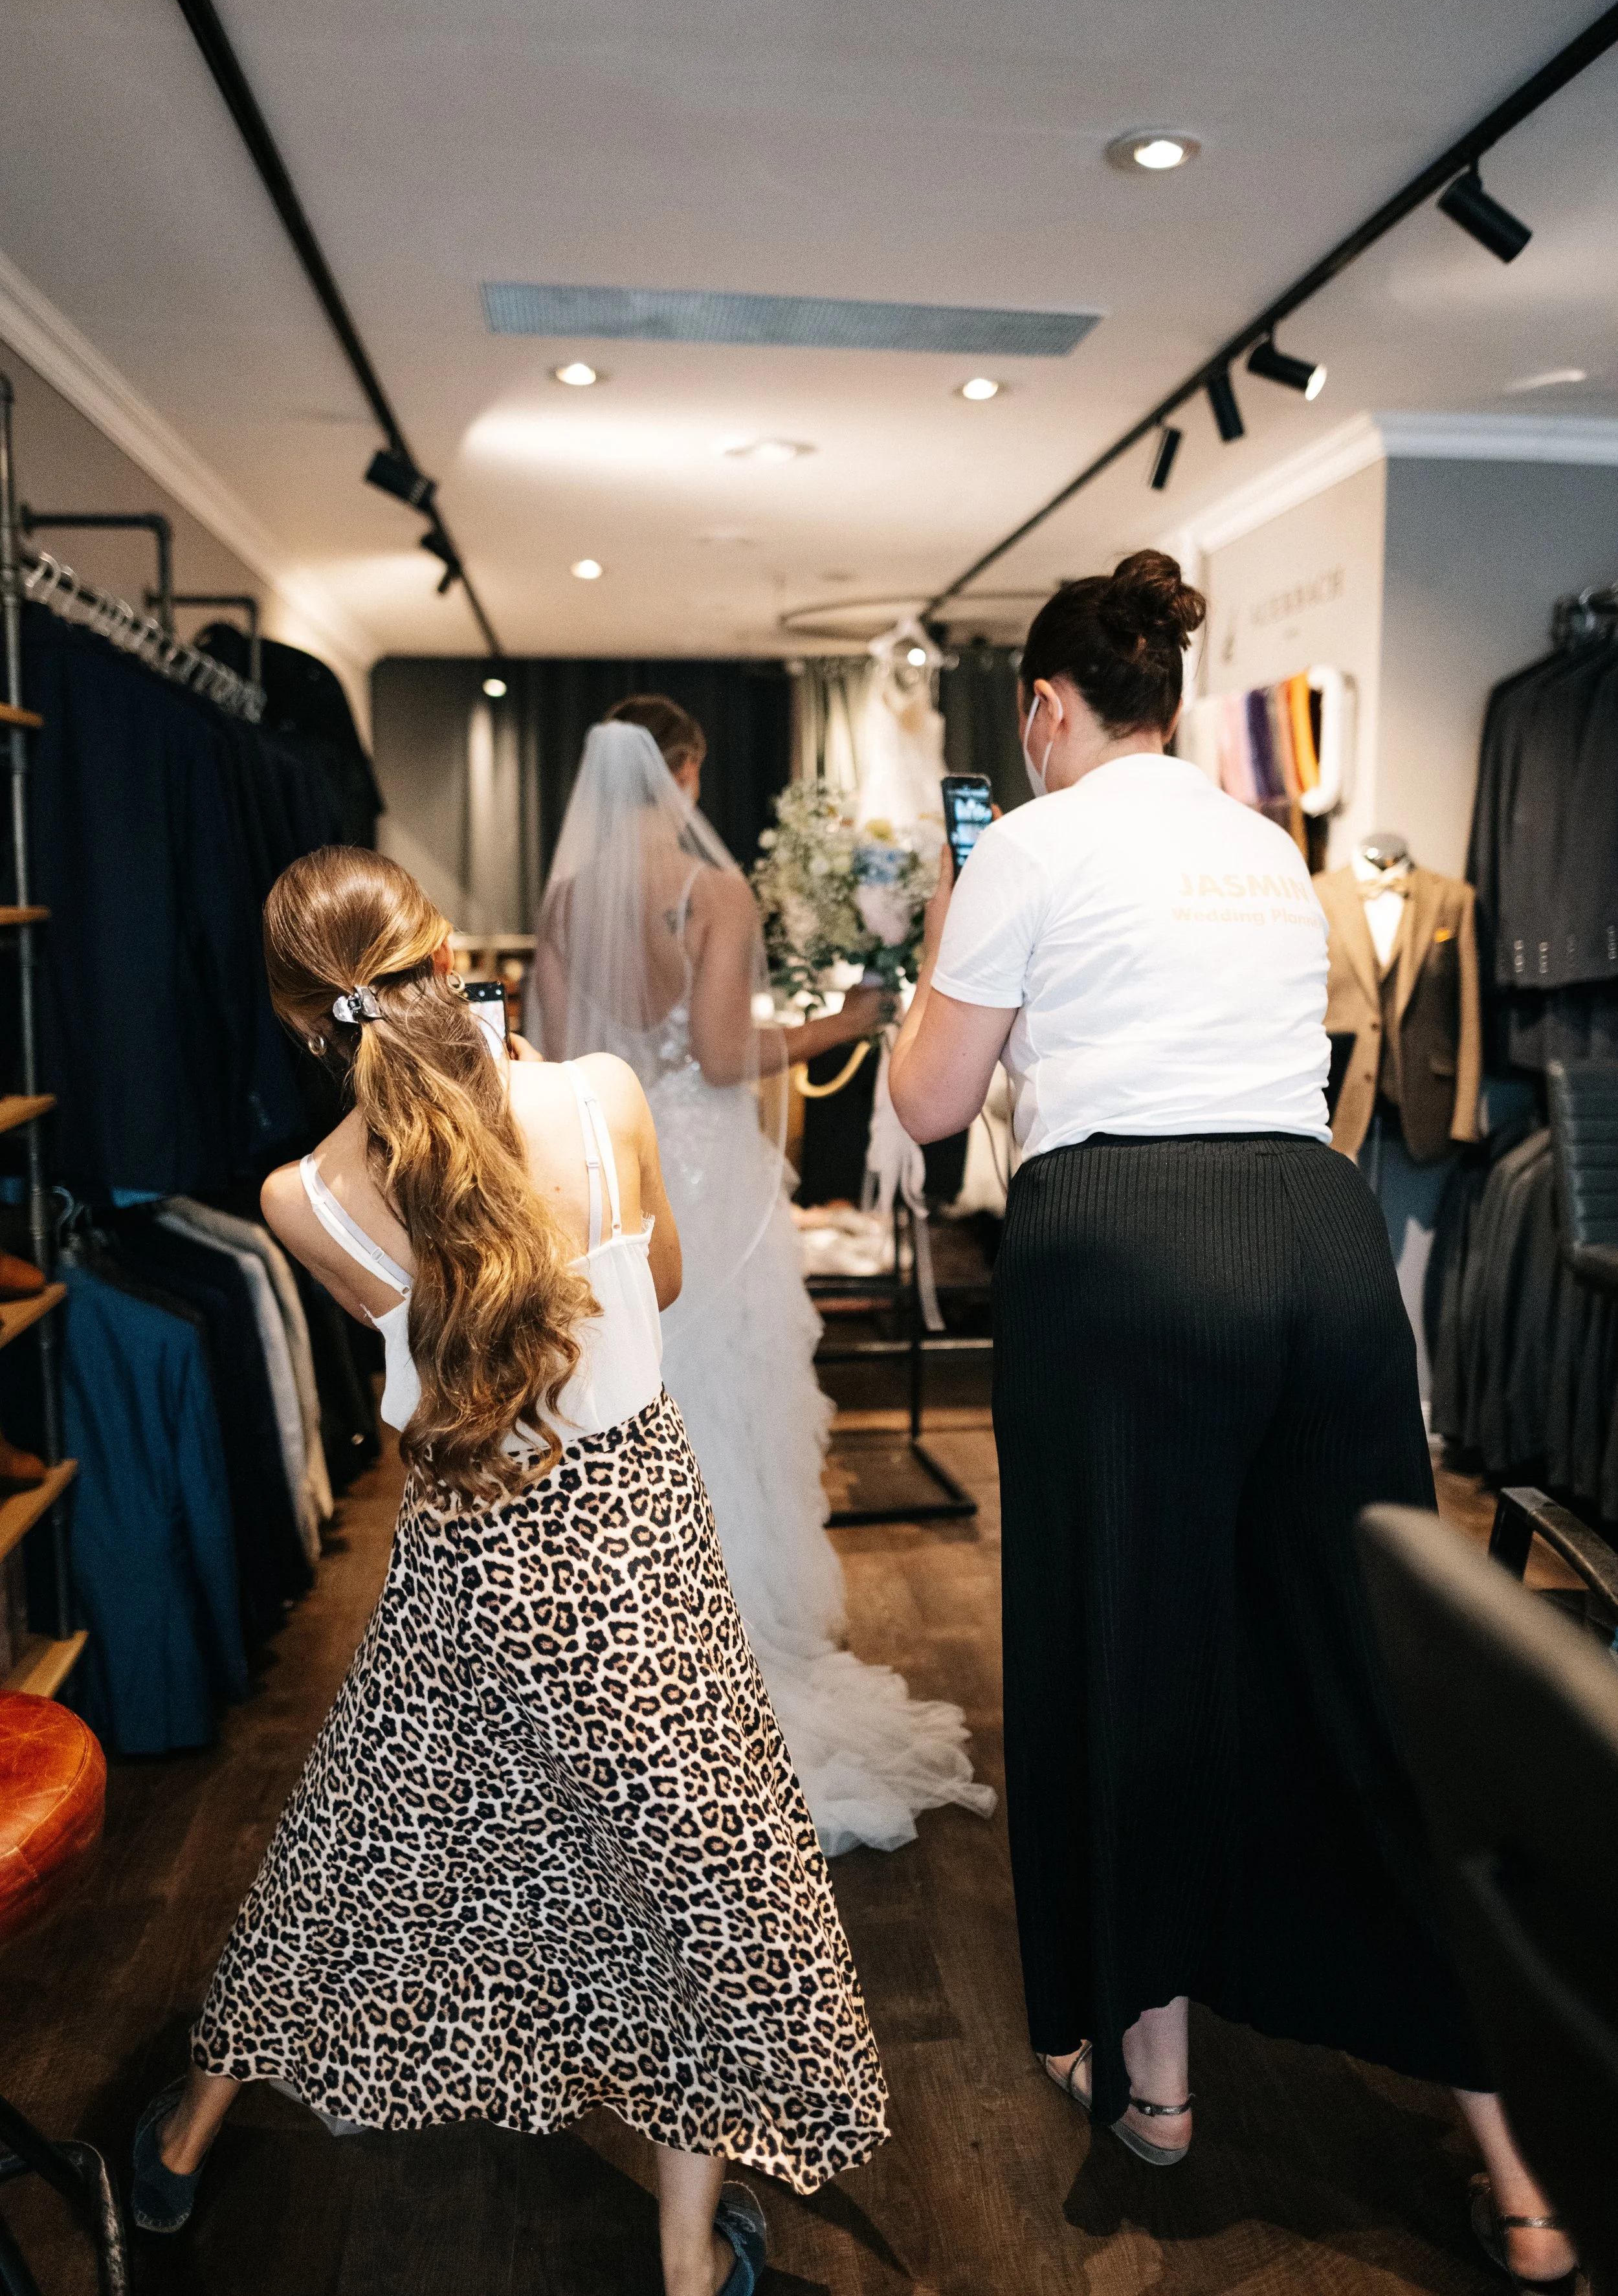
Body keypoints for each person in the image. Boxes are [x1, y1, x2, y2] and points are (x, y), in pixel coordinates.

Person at [886, 554, 1578, 2290]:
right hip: (1320, 1244)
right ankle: (1518, 2155)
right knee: (1371, 1668)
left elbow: (924, 1100)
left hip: (1124, 1252)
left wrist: (950, 932)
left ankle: (1164, 2085)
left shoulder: (1025, 843)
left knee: (1132, 1648)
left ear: (1045, 709)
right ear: (1169, 706)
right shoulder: (1262, 845)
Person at [131, 847, 887, 2296]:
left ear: (309, 1022)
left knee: (360, 1841)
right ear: (438, 950)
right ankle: (681, 2259)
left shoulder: (300, 1198)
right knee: (694, 1872)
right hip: (629, 1543)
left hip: (471, 1554)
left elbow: (435, 1329)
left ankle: (180, 2148)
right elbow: (650, 1282)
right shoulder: (596, 1096)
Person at [529, 702, 995, 1855]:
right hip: (704, 1169)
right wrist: (842, 1024)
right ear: (683, 771)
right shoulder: (711, 891)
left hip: (605, 1171)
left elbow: (543, 1050)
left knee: (633, 1396)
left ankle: (627, 1652)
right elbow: (730, 1053)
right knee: (726, 1395)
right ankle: (728, 1647)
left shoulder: (566, 900)